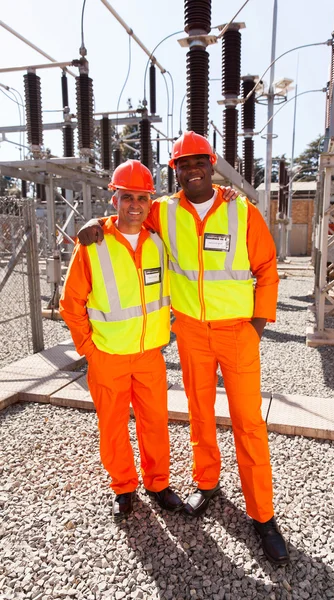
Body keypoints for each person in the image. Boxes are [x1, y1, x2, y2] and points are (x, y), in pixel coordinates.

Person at [78, 131, 289, 565]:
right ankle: (207, 483)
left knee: (249, 423)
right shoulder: (162, 210)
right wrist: (97, 224)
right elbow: (126, 218)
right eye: (183, 163)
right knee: (199, 413)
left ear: (212, 165)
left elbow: (267, 267)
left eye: (199, 161)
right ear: (175, 170)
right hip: (191, 331)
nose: (192, 168)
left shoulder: (241, 210)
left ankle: (262, 516)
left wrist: (257, 326)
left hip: (237, 334)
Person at [60, 160, 184, 522]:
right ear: (114, 198)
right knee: (113, 427)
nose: (134, 205)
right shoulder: (94, 244)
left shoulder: (159, 243)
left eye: (142, 198)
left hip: (149, 355)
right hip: (108, 357)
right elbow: (71, 304)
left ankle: (158, 484)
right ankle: (123, 487)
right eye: (126, 196)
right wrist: (88, 349)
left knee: (155, 423)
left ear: (150, 202)